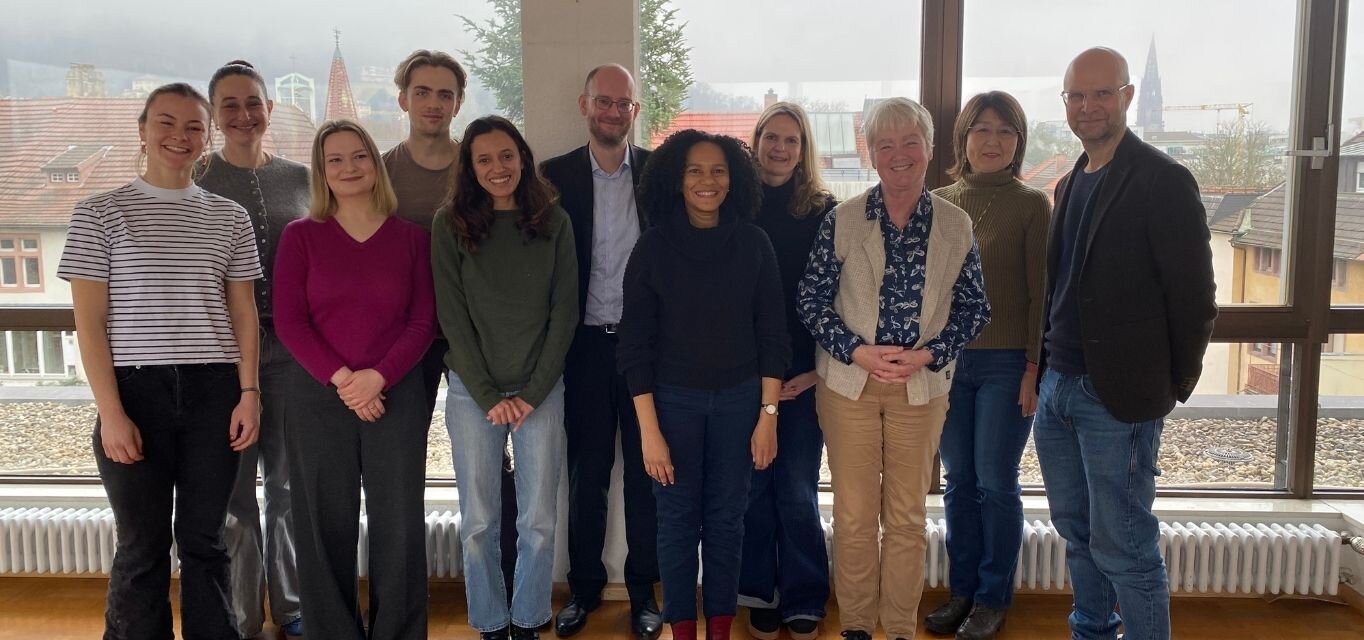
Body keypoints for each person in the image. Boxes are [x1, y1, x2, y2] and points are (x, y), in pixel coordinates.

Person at [59, 82, 262, 640]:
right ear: (142, 131)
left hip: (215, 392)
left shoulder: (230, 217)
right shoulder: (98, 213)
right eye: (166, 123)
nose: (180, 136)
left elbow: (243, 313)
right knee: (141, 544)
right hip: (134, 394)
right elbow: (90, 325)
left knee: (205, 540)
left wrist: (249, 393)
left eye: (194, 126)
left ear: (207, 136)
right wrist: (112, 413)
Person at [1035, 47, 1216, 640]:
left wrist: (1169, 386)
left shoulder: (1163, 181)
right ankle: (1092, 630)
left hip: (1118, 398)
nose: (1087, 106)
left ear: (1127, 96)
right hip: (1058, 388)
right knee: (1077, 531)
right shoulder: (1068, 183)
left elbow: (1194, 296)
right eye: (1076, 95)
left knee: (1127, 546)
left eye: (1101, 93)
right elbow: (1061, 288)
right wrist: (1044, 373)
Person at [797, 97, 990, 640]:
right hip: (848, 387)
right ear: (871, 153)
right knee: (855, 516)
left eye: (910, 142)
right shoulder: (843, 219)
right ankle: (858, 625)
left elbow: (975, 309)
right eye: (885, 144)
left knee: (906, 518)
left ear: (929, 148)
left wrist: (927, 355)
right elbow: (811, 300)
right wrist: (856, 350)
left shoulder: (956, 225)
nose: (898, 154)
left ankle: (901, 628)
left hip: (921, 389)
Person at [619, 130, 789, 640]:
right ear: (676, 178)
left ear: (734, 179)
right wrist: (649, 432)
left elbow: (773, 337)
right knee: (675, 523)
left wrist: (768, 417)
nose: (707, 180)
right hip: (672, 405)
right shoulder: (652, 248)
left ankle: (718, 630)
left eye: (718, 170)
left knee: (726, 521)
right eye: (694, 170)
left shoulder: (755, 244)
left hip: (740, 403)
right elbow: (635, 347)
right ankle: (682, 631)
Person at [273, 119, 435, 640]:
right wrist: (347, 381)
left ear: (375, 163)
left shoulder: (412, 239)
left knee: (399, 523)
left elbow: (423, 322)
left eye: (359, 156)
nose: (349, 167)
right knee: (323, 525)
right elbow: (290, 322)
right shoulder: (300, 237)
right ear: (321, 172)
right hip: (320, 396)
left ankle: (398, 631)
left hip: (397, 395)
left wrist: (379, 378)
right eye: (335, 160)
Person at [382, 49, 522, 602]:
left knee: (497, 470)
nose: (434, 103)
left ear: (459, 102)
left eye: (445, 94)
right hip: (405, 342)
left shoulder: (482, 167)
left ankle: (509, 594)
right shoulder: (382, 172)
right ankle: (403, 604)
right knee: (401, 466)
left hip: (479, 343)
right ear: (403, 99)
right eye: (423, 92)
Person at [432, 115, 577, 640]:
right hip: (473, 393)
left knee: (537, 520)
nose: (498, 167)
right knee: (478, 522)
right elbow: (452, 318)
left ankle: (528, 619)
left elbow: (564, 312)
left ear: (523, 158)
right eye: (485, 159)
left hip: (542, 390)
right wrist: (490, 395)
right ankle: (491, 622)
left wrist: (533, 393)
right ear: (470, 168)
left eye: (507, 156)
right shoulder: (449, 224)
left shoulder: (553, 220)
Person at [922, 90, 1051, 640]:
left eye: (1005, 130)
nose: (992, 141)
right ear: (963, 138)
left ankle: (993, 599)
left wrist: (1033, 368)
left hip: (1006, 364)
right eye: (982, 129)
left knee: (996, 482)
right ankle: (963, 592)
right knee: (958, 482)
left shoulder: (1032, 205)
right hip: (947, 363)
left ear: (1018, 141)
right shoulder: (937, 201)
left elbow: (1040, 295)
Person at [540, 63, 661, 640]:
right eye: (604, 101)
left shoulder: (659, 174)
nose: (614, 112)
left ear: (635, 110)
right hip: (582, 346)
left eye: (624, 104)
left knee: (647, 475)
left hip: (646, 349)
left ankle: (643, 593)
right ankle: (584, 589)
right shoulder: (552, 177)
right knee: (586, 477)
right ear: (584, 104)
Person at [197, 59, 309, 639]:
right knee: (234, 495)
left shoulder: (302, 178)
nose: (243, 115)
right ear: (215, 115)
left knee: (286, 488)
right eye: (230, 105)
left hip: (291, 352)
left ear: (269, 107)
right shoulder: (195, 177)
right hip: (222, 355)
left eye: (252, 103)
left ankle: (291, 607)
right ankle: (242, 617)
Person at [738, 101, 834, 640]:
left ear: (803, 151)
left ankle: (803, 595)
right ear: (755, 142)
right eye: (771, 137)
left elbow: (842, 298)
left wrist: (818, 369)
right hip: (745, 370)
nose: (779, 148)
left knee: (796, 486)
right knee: (753, 486)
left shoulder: (824, 212)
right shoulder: (734, 205)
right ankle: (760, 592)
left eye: (790, 140)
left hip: (803, 369)